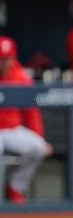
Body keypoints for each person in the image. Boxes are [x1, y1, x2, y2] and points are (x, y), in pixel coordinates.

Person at [0, 36, 51, 204]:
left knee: (38, 148)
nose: (4, 63)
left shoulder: (21, 77)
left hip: (13, 129)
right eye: (1, 59)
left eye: (7, 59)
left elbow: (32, 111)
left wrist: (40, 137)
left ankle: (15, 186)